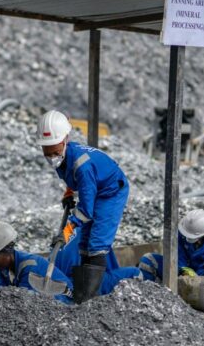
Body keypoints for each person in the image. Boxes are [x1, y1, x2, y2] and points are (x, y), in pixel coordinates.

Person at [38, 110, 134, 302]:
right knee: (84, 244)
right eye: (47, 153)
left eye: (55, 152)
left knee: (97, 244)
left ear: (65, 140)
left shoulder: (83, 166)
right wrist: (68, 192)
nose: (52, 157)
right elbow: (72, 178)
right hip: (96, 186)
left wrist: (67, 232)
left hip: (111, 191)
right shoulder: (63, 157)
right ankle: (83, 291)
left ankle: (93, 298)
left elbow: (86, 211)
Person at [0, 222, 73, 304]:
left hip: (64, 298)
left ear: (7, 251)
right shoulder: (2, 268)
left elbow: (23, 300)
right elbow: (0, 291)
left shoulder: (29, 267)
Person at [139, 209, 204, 283]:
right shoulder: (183, 231)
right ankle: (153, 290)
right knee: (148, 260)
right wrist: (183, 270)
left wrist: (198, 278)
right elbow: (176, 257)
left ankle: (203, 289)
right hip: (182, 273)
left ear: (203, 234)